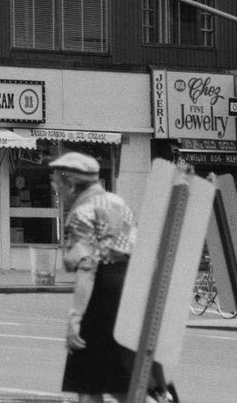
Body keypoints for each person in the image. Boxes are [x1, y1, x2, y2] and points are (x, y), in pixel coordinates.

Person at [51, 151, 172, 403]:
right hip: (131, 285)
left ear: (71, 184)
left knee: (88, 379)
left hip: (103, 292)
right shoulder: (118, 202)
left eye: (56, 182)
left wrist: (76, 317)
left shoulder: (82, 212)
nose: (54, 187)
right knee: (120, 376)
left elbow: (87, 266)